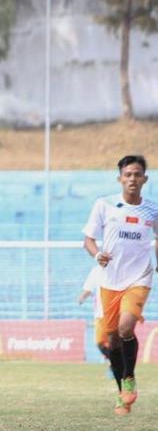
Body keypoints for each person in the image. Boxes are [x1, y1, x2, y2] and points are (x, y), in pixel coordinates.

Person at [83, 154, 158, 416]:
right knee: (113, 339)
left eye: (137, 174)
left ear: (145, 179)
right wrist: (96, 254)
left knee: (126, 327)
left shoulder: (152, 210)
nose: (132, 179)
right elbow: (88, 240)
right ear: (120, 179)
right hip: (110, 281)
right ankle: (122, 393)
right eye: (128, 175)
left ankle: (129, 376)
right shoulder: (104, 206)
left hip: (139, 277)